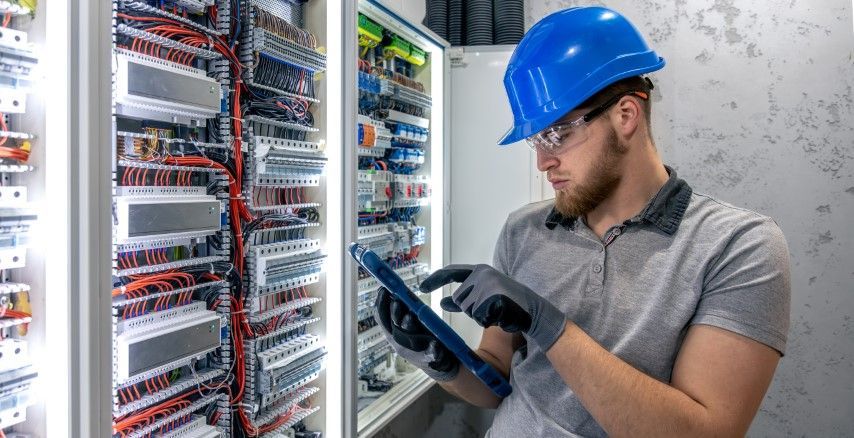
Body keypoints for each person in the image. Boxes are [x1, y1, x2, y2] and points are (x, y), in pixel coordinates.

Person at [374, 6, 791, 437]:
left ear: (626, 115)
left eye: (556, 135)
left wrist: (549, 326)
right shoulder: (523, 231)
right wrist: (440, 360)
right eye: (536, 140)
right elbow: (497, 381)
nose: (542, 161)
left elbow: (705, 432)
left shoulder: (739, 246)